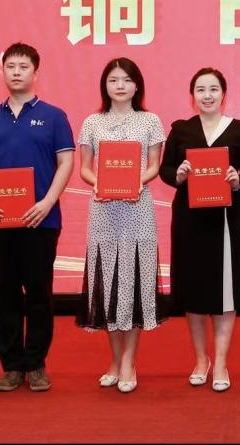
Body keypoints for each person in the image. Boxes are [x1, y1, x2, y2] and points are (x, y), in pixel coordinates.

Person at [0, 42, 75, 392]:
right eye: (10, 66)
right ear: (3, 71)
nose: (16, 72)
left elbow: (66, 162)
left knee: (40, 293)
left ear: (35, 73)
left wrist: (47, 202)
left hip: (41, 219)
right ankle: (12, 366)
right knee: (7, 293)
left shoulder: (54, 116)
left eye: (23, 66)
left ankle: (37, 363)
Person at [159, 67, 240, 392]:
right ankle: (201, 360)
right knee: (194, 292)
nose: (207, 95)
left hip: (226, 221)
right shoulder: (181, 129)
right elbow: (165, 169)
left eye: (213, 89)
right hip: (190, 221)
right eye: (201, 89)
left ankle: (221, 362)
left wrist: (238, 180)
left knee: (225, 292)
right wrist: (179, 175)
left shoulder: (239, 130)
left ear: (223, 94)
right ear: (192, 95)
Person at [75, 58, 166, 394]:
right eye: (113, 80)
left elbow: (154, 165)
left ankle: (129, 361)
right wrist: (100, 183)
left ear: (137, 85)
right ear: (105, 85)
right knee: (108, 283)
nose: (120, 86)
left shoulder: (150, 121)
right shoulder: (92, 122)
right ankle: (114, 360)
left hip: (137, 208)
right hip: (103, 210)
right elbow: (85, 168)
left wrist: (135, 182)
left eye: (126, 80)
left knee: (134, 282)